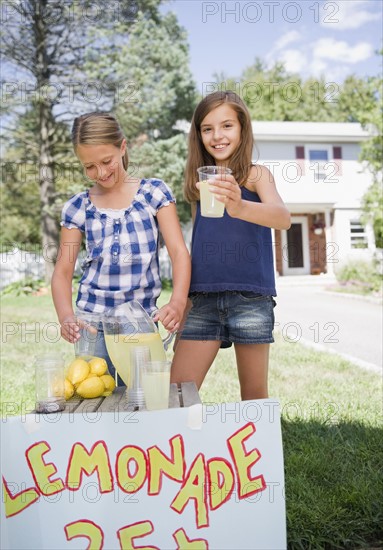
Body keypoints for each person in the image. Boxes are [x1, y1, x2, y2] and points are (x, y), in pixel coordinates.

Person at [52, 111, 191, 383]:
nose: (100, 173)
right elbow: (62, 271)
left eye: (106, 161)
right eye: (89, 166)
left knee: (144, 399)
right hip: (92, 326)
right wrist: (66, 316)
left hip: (139, 323)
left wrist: (177, 301)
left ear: (123, 147)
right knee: (96, 400)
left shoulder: (154, 194)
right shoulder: (78, 207)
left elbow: (179, 253)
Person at [171, 91, 291, 400]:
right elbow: (198, 244)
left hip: (250, 297)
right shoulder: (200, 185)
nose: (217, 136)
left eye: (227, 126)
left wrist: (239, 206)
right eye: (207, 128)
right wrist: (183, 297)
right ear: (198, 135)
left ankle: (257, 448)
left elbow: (282, 218)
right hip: (203, 299)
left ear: (242, 129)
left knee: (253, 395)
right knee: (178, 393)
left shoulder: (255, 175)